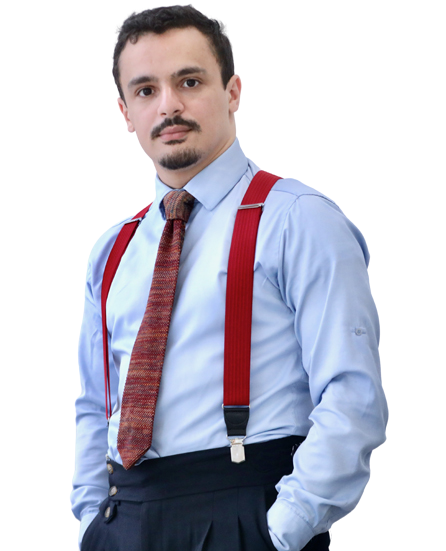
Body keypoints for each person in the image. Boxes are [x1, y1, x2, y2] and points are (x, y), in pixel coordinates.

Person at [70, 5, 388, 551]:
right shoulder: (111, 250)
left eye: (189, 82)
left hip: (245, 510)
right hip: (124, 516)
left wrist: (282, 529)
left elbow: (351, 395)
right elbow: (95, 402)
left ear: (233, 91)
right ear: (126, 112)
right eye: (145, 90)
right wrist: (90, 521)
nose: (168, 105)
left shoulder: (299, 219)